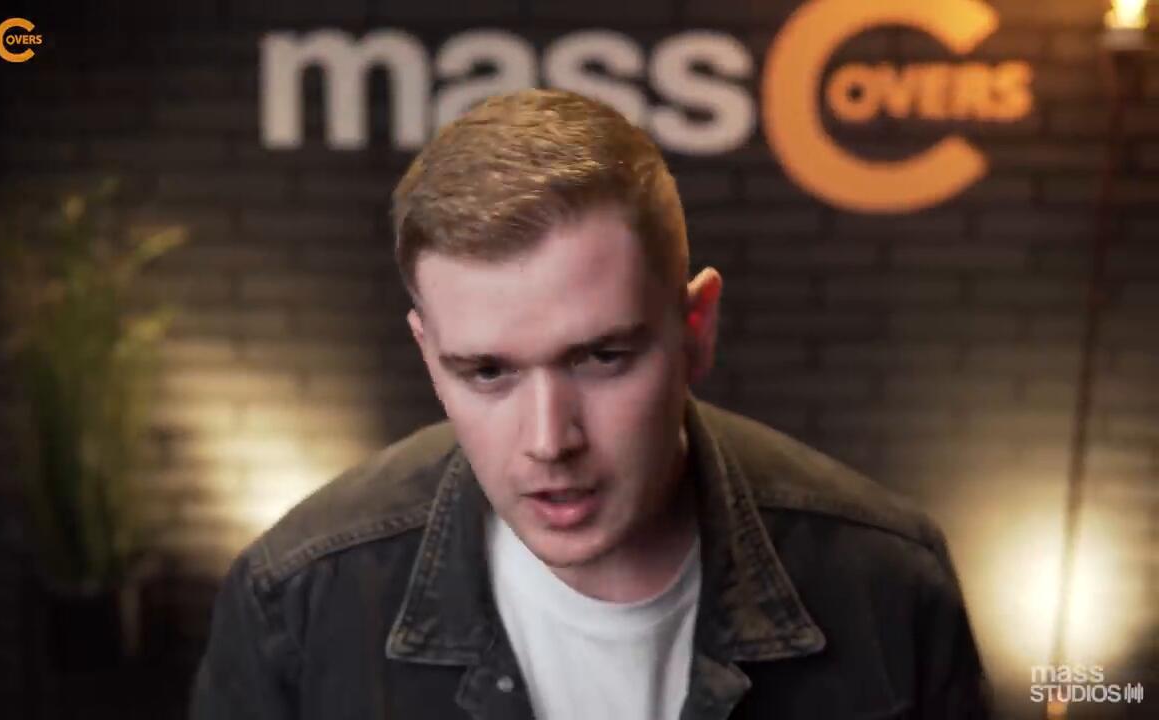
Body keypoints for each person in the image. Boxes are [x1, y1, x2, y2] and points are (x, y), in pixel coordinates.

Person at [190, 88, 990, 719]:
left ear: (697, 330)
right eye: (487, 372)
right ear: (430, 358)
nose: (549, 440)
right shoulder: (295, 603)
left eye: (603, 357)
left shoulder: (887, 584)